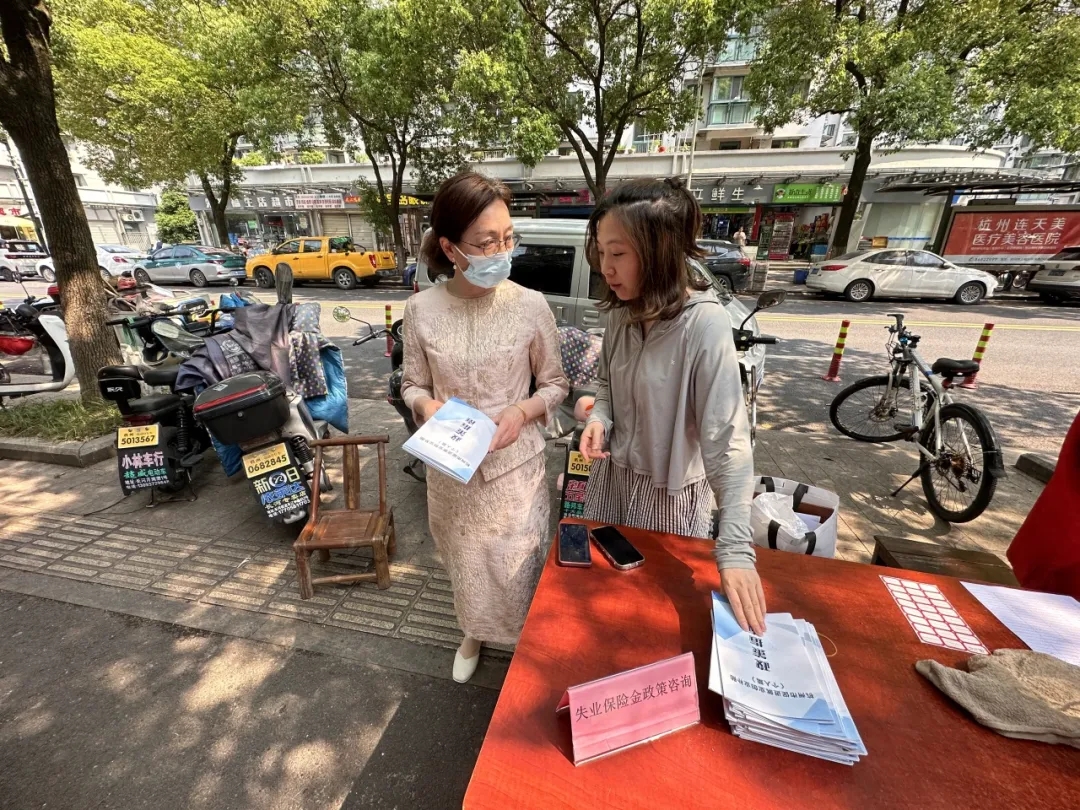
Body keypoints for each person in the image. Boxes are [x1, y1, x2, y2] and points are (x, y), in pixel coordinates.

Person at [401, 172, 569, 683]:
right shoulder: (421, 309)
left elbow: (555, 383)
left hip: (514, 472)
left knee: (517, 563)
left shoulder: (530, 305)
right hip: (452, 471)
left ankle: (525, 642)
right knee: (467, 563)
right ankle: (473, 631)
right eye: (486, 242)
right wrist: (425, 405)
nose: (502, 250)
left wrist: (521, 411)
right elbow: (411, 383)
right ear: (450, 248)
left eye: (508, 238)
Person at [578, 178, 765, 634]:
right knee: (600, 608)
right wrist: (600, 417)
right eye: (601, 253)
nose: (606, 268)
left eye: (618, 253)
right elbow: (606, 384)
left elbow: (728, 441)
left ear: (659, 251)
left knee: (657, 621)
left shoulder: (704, 324)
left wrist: (736, 550)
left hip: (670, 496)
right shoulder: (620, 312)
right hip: (609, 482)